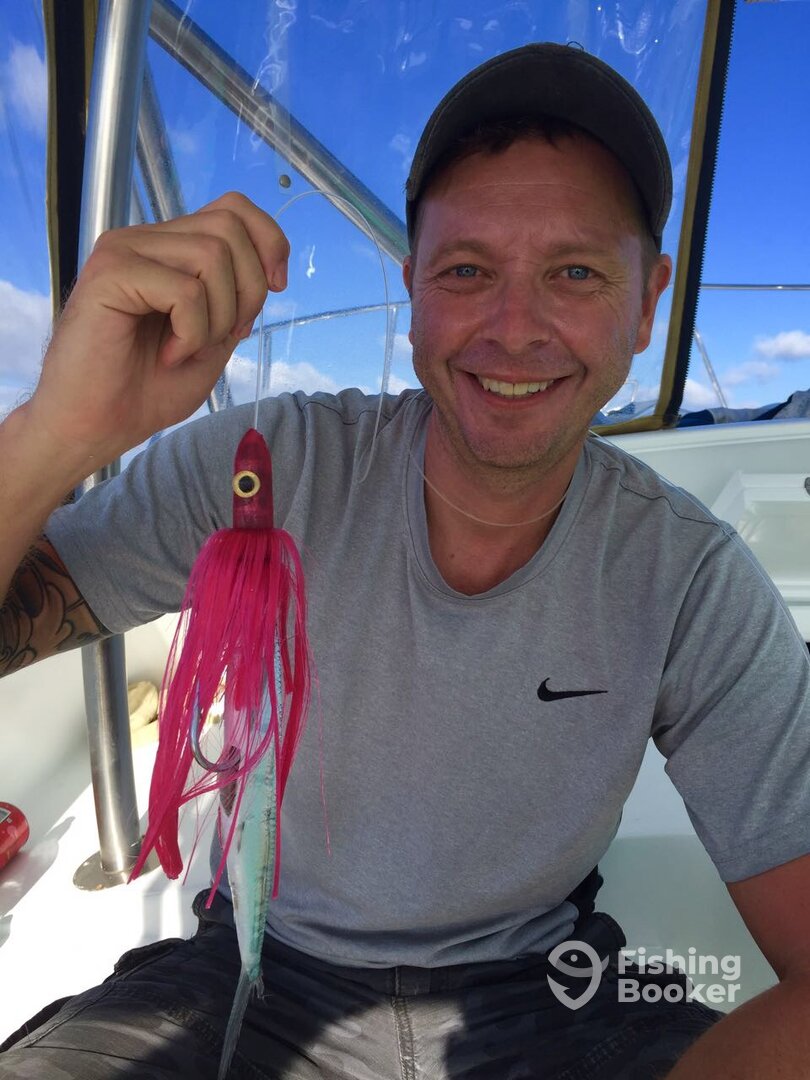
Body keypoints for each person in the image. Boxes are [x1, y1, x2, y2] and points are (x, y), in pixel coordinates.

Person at [1, 41, 809, 1080]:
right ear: (413, 290)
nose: (514, 329)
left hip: (543, 992)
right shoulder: (265, 468)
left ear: (648, 303)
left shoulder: (686, 579)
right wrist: (55, 433)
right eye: (467, 270)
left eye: (574, 272)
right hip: (251, 963)